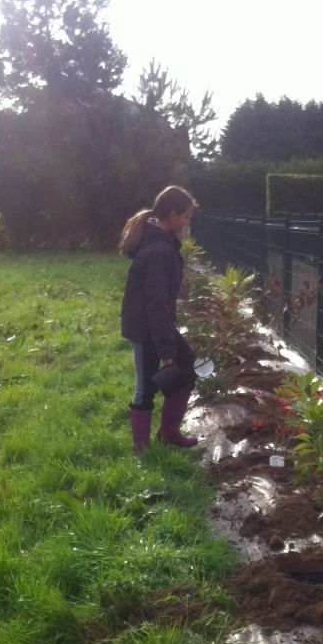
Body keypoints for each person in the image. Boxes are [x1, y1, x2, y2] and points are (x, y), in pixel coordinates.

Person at [118, 185, 199, 451]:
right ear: (173, 214)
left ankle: (168, 433)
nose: (187, 223)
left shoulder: (162, 243)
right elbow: (155, 304)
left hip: (156, 324)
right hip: (145, 328)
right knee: (145, 388)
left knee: (186, 368)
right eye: (186, 216)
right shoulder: (159, 251)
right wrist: (166, 349)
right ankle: (141, 449)